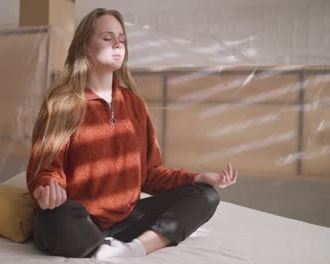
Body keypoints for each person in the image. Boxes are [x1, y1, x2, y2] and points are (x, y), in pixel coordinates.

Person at [26, 8, 238, 259]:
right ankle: (98, 245)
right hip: (81, 220)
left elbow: (150, 174)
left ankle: (135, 248)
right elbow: (47, 169)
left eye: (122, 39)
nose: (118, 43)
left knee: (206, 196)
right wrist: (48, 189)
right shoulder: (62, 104)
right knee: (52, 219)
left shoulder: (134, 104)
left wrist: (197, 177)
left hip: (128, 220)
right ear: (84, 47)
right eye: (107, 38)